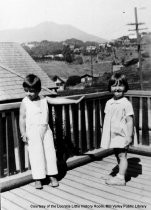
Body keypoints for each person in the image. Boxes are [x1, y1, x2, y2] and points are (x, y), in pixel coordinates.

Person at [19, 74, 84, 189]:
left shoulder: (44, 99)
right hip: (32, 131)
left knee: (50, 153)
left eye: (31, 91)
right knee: (36, 154)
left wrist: (74, 101)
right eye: (26, 91)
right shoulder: (25, 102)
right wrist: (23, 132)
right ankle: (38, 178)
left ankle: (52, 175)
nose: (28, 93)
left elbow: (57, 100)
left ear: (39, 90)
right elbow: (22, 118)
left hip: (46, 130)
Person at [100, 72, 134, 186]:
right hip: (113, 134)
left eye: (120, 85)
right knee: (117, 154)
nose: (117, 88)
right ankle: (119, 173)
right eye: (114, 85)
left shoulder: (126, 103)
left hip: (122, 134)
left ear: (125, 87)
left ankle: (121, 178)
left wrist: (129, 136)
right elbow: (108, 119)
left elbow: (130, 120)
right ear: (110, 87)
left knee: (122, 155)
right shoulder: (109, 102)